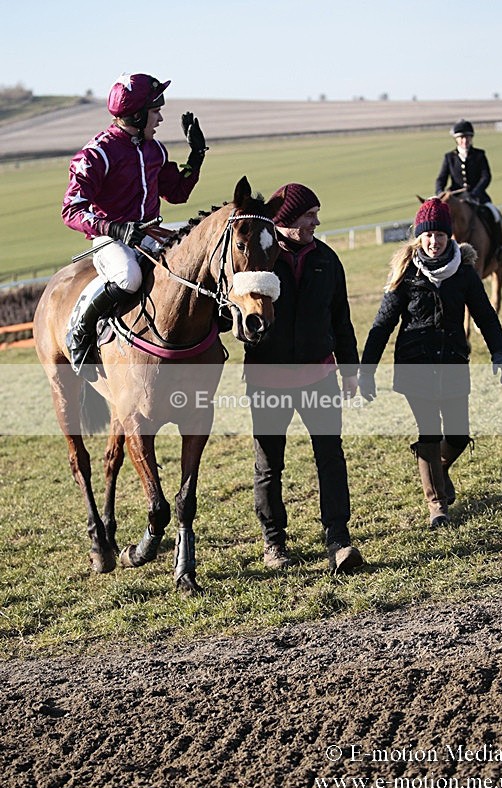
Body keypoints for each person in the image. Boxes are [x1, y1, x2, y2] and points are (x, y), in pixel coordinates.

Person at [359, 197, 502, 528]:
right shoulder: (406, 275)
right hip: (415, 364)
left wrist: (500, 354)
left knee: (458, 434)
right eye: (428, 235)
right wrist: (367, 370)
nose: (433, 241)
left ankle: (438, 468)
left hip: (454, 360)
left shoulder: (465, 273)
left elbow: (485, 316)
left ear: (449, 236)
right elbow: (382, 324)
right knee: (428, 431)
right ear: (419, 237)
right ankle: (436, 505)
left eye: (440, 235)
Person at [243, 183, 364, 575]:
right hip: (268, 381)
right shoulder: (258, 261)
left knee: (330, 458)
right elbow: (239, 321)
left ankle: (338, 541)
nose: (317, 221)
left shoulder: (327, 259)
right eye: (309, 215)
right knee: (269, 467)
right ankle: (274, 544)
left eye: (316, 214)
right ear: (286, 221)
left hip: (320, 377)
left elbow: (341, 320)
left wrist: (350, 370)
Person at [62, 72, 208, 374]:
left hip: (151, 232)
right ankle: (81, 332)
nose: (161, 119)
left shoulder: (154, 149)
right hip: (110, 238)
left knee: (193, 263)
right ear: (138, 114)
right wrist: (113, 228)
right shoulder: (96, 155)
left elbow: (177, 194)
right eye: (156, 112)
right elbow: (71, 210)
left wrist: (196, 155)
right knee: (129, 278)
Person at [435, 119, 502, 259]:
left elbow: (486, 176)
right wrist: (440, 194)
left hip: (477, 197)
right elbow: (441, 179)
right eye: (461, 137)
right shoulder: (449, 157)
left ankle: (500, 250)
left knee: (494, 214)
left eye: (467, 137)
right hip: (456, 199)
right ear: (456, 139)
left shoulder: (479, 154)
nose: (464, 140)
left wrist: (475, 192)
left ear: (471, 137)